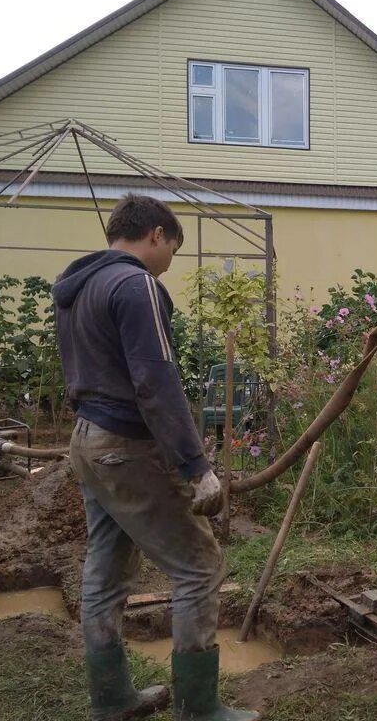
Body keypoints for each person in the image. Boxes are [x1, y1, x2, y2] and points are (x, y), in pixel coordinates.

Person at [53, 193, 259, 721]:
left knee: (105, 572)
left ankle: (113, 698)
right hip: (126, 446)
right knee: (198, 565)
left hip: (88, 441)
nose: (170, 260)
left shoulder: (78, 287)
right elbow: (156, 380)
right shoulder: (136, 285)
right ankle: (200, 708)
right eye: (173, 247)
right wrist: (196, 467)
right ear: (156, 236)